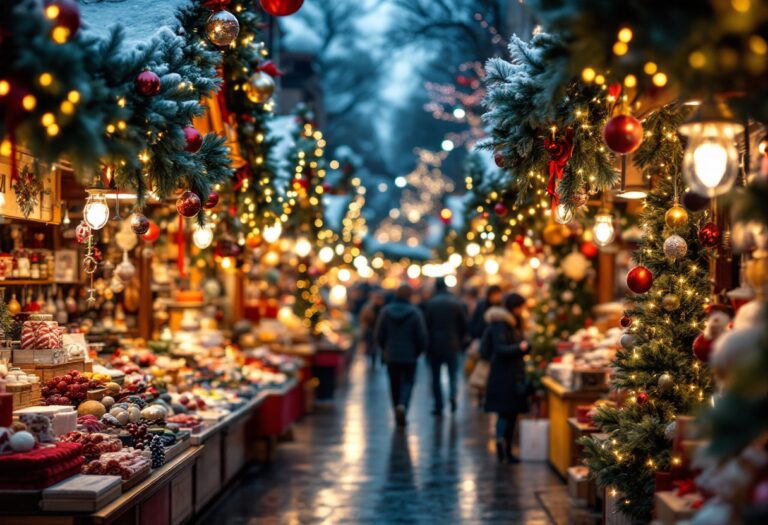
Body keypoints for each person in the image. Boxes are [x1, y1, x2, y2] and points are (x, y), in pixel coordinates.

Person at [480, 292, 530, 463]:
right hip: (507, 375)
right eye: (520, 307)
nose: (522, 311)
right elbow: (500, 349)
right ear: (514, 307)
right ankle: (505, 446)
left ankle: (503, 443)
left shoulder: (509, 324)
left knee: (507, 412)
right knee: (508, 412)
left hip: (505, 375)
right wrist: (521, 347)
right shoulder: (502, 325)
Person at [375, 284, 428, 427]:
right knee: (409, 382)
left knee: (394, 383)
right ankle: (403, 404)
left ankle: (396, 408)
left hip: (391, 354)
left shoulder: (386, 312)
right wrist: (418, 351)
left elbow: (379, 334)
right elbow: (421, 335)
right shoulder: (415, 313)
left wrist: (385, 348)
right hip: (410, 354)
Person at [424, 277, 468, 415]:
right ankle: (452, 395)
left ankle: (439, 405)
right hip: (452, 343)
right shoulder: (455, 302)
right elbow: (464, 324)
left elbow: (426, 324)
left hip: (435, 344)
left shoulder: (431, 303)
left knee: (436, 377)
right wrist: (460, 340)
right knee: (452, 374)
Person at [359, 290, 386, 367]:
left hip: (378, 330)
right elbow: (364, 318)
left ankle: (376, 360)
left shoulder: (383, 309)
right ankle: (372, 359)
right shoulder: (369, 307)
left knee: (377, 347)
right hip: (371, 330)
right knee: (371, 346)